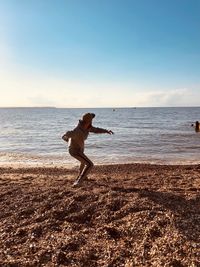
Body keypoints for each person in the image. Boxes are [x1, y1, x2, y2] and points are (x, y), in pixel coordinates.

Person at [62, 113, 114, 186]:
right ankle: (78, 181)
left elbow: (96, 130)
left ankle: (84, 176)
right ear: (88, 121)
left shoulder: (87, 127)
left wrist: (106, 131)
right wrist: (69, 141)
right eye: (91, 120)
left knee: (83, 162)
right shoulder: (77, 130)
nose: (92, 121)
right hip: (74, 151)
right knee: (90, 164)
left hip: (80, 150)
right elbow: (65, 135)